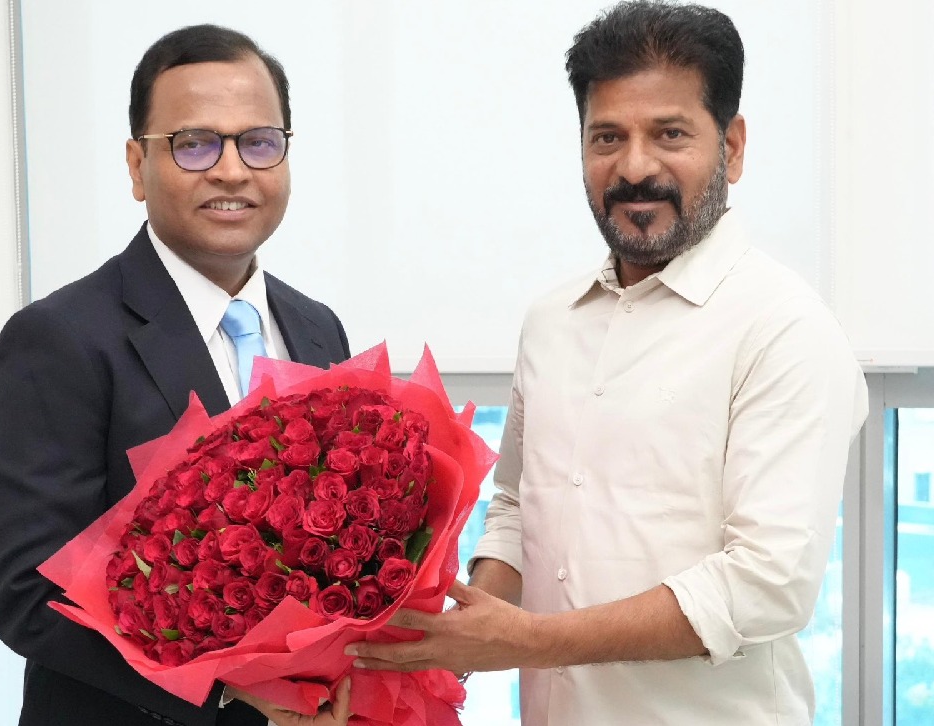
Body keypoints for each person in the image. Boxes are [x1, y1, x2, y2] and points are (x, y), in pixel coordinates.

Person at [345, 2, 868, 723]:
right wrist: (459, 636)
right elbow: (517, 508)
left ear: (732, 147)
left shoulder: (785, 328)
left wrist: (525, 641)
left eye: (670, 134)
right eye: (607, 137)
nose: (634, 167)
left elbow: (767, 584)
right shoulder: (550, 322)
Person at [0, 24, 352, 726]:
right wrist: (232, 689)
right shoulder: (59, 340)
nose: (232, 171)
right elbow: (30, 596)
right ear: (136, 165)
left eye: (259, 142)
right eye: (195, 144)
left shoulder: (317, 329)